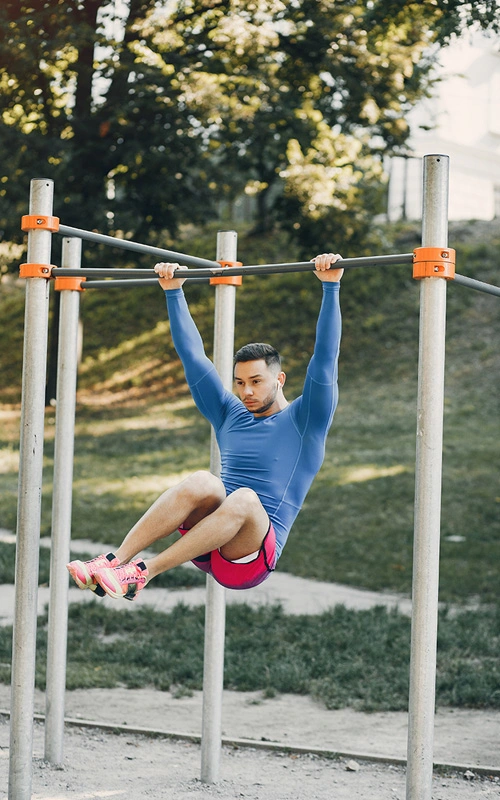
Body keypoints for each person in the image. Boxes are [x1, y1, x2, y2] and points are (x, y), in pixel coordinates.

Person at [67, 253, 343, 600]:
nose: (247, 391)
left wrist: (330, 287)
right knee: (203, 480)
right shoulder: (230, 413)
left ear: (280, 379)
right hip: (206, 541)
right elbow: (194, 358)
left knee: (243, 497)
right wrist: (173, 291)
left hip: (248, 558)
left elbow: (325, 359)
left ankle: (143, 573)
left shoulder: (306, 420)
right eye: (240, 382)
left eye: (257, 381)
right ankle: (113, 561)